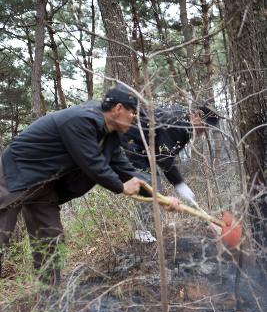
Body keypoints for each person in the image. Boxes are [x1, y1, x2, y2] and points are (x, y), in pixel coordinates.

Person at [0, 86, 180, 285]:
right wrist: (121, 188)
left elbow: (125, 169)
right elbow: (92, 164)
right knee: (2, 235)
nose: (135, 119)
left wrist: (159, 199)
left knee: (51, 238)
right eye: (133, 113)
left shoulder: (111, 135)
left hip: (45, 185)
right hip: (15, 174)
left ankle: (48, 298)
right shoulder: (80, 120)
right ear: (119, 108)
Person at [120, 104, 220, 242]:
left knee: (155, 185)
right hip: (132, 145)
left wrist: (179, 183)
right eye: (205, 125)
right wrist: (179, 184)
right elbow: (165, 157)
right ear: (196, 115)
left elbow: (166, 155)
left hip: (144, 150)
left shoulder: (184, 123)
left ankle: (152, 228)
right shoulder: (179, 123)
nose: (204, 130)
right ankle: (141, 232)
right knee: (149, 184)